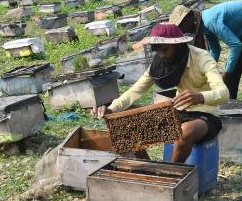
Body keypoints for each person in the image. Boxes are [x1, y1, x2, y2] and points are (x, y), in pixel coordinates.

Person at [93, 23, 229, 162]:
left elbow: (224, 93)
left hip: (206, 116)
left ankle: (173, 172)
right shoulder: (160, 61)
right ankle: (151, 169)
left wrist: (200, 97)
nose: (162, 54)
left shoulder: (202, 58)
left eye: (165, 49)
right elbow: (136, 90)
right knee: (126, 129)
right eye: (157, 50)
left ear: (178, 46)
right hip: (178, 112)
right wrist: (111, 109)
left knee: (184, 132)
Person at [169, 0, 242, 101]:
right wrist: (207, 70)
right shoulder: (204, 25)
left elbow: (236, 45)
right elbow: (215, 49)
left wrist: (226, 73)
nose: (183, 31)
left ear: (188, 19)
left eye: (181, 27)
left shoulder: (210, 21)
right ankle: (230, 107)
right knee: (234, 71)